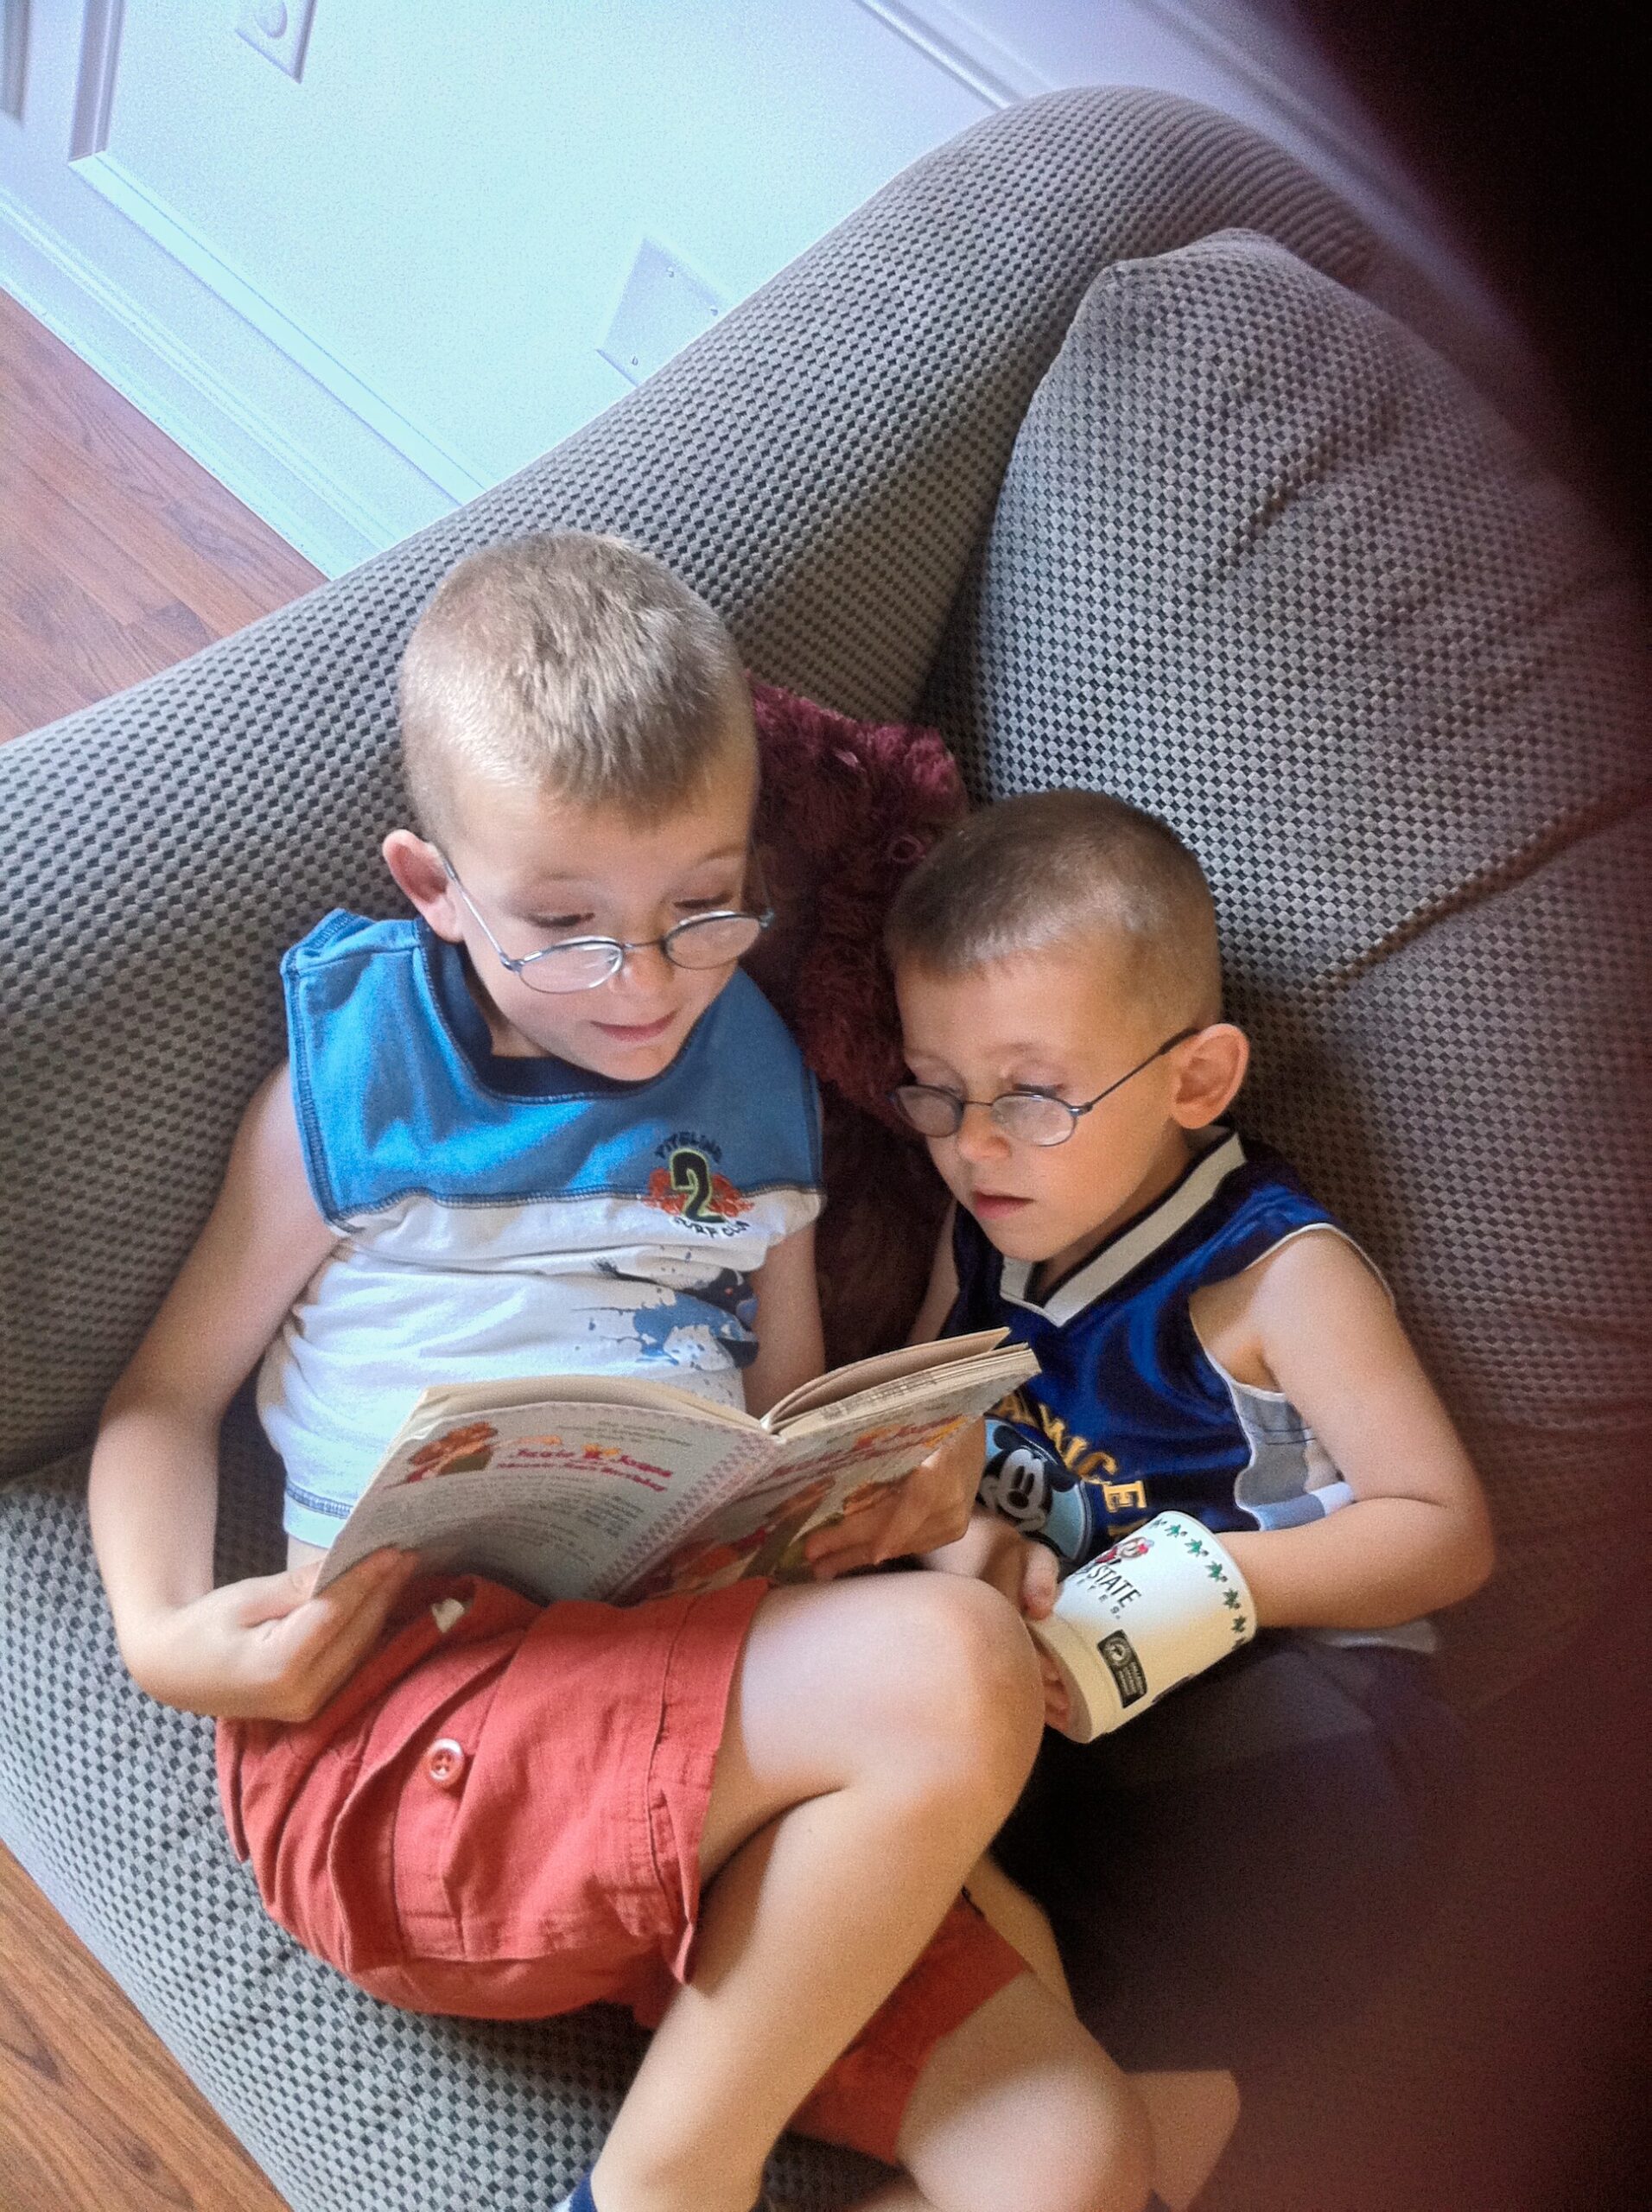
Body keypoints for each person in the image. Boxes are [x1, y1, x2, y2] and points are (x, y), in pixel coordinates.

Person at [87, 537, 1193, 2212]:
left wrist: (899, 1508)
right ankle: (661, 2187)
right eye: (566, 924)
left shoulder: (752, 1083)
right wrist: (166, 1636)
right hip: (404, 1737)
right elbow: (164, 1400)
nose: (649, 981)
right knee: (951, 1669)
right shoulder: (355, 1089)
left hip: (695, 1738)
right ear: (434, 883)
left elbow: (785, 1427)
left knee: (1077, 2155)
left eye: (701, 906)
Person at [886, 788, 1496, 2090]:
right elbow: (928, 1420)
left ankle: (1142, 2079)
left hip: (1298, 1705)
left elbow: (1445, 1533)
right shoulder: (985, 1228)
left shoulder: (1275, 1277)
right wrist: (964, 1540)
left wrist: (1187, 1585)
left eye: (1032, 1095)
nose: (976, 1145)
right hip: (1070, 1682)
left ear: (1195, 1080)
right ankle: (1090, 2102)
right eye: (938, 1093)